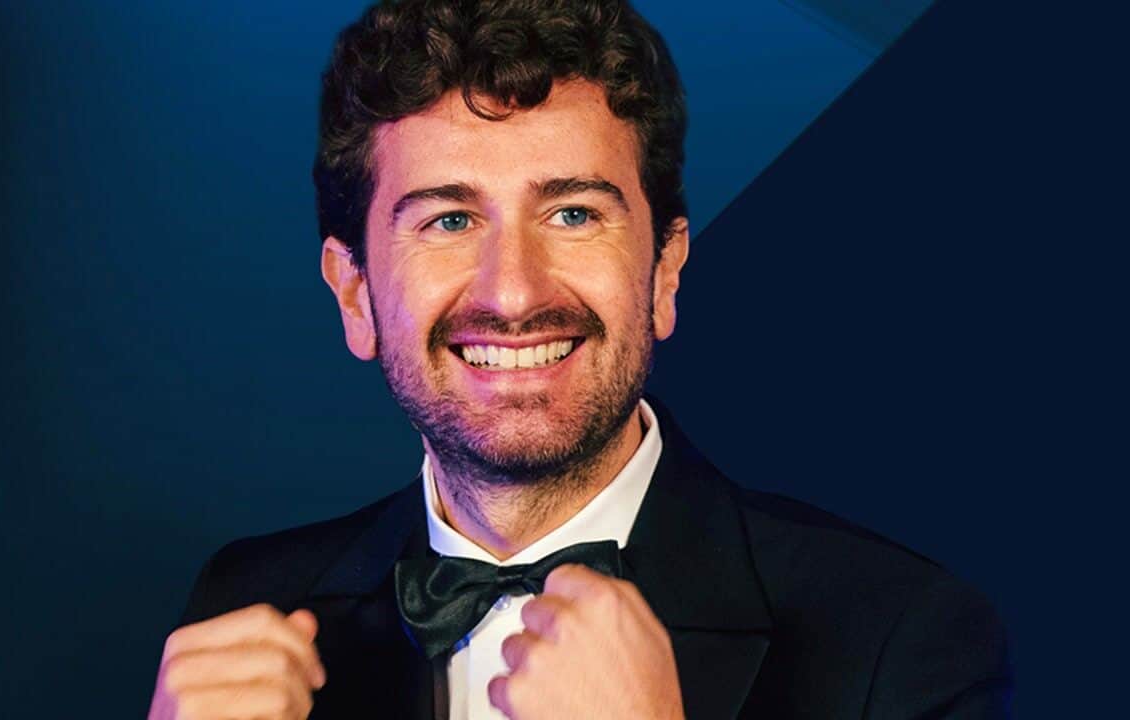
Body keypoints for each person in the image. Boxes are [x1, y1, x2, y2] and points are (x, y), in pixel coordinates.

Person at [147, 1, 1012, 718]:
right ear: (354, 294)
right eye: (450, 220)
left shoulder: (906, 637)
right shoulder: (247, 600)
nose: (513, 293)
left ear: (664, 272)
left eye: (573, 214)